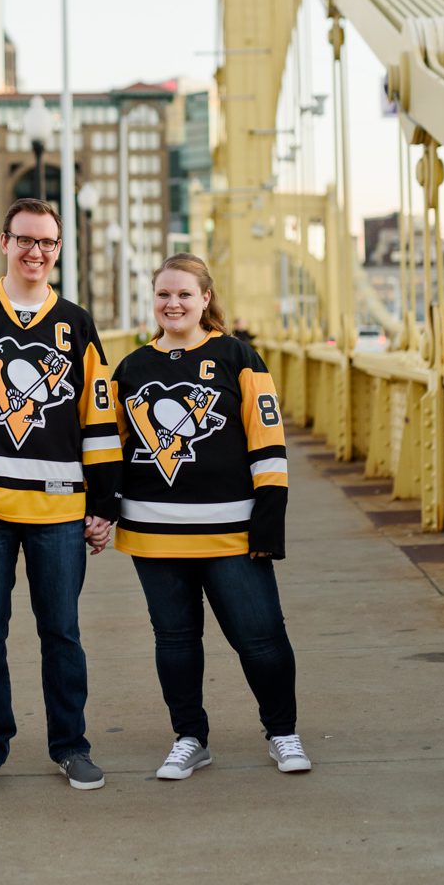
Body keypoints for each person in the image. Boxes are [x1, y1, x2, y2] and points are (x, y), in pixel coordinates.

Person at [0, 197, 121, 797]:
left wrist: (103, 504)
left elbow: (100, 416)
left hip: (60, 506)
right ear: (4, 242)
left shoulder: (77, 323)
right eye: (26, 240)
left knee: (62, 631)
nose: (37, 252)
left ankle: (71, 745)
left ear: (59, 250)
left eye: (48, 243)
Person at [111, 253, 310, 780]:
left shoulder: (238, 356)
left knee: (261, 637)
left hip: (232, 531)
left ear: (205, 299)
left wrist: (269, 523)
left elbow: (268, 444)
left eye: (183, 294)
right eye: (163, 295)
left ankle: (283, 732)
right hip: (154, 532)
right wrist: (102, 511)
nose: (172, 304)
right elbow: (113, 449)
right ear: (152, 301)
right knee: (174, 642)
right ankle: (190, 737)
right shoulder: (131, 368)